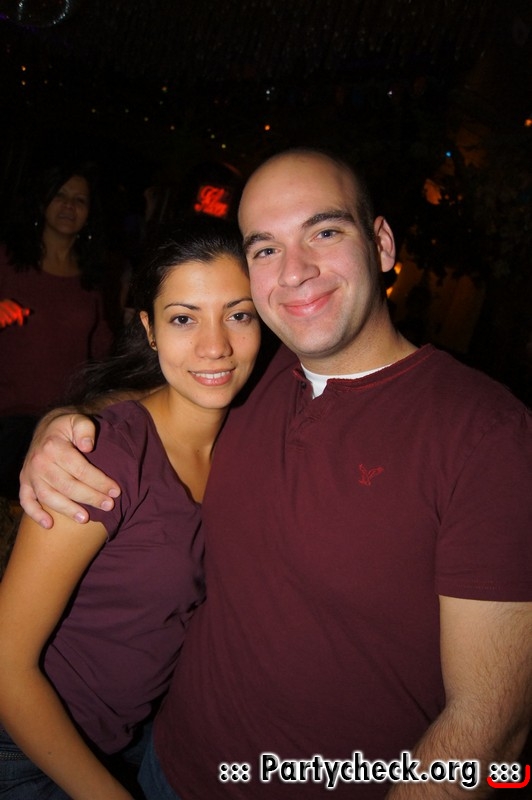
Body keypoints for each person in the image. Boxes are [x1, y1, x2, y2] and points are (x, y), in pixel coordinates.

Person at [17, 148, 532, 799]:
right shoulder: (254, 376)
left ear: (380, 243)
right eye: (265, 248)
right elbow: (165, 395)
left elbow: (489, 731)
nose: (295, 270)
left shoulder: (487, 435)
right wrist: (66, 424)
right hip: (162, 766)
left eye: (324, 231)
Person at [0, 218, 261, 799]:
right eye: (184, 318)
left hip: (128, 737)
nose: (215, 345)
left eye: (238, 315)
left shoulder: (247, 439)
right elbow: (5, 664)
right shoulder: (106, 456)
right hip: (27, 754)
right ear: (149, 328)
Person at [0, 162, 117, 499]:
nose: (69, 205)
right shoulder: (7, 259)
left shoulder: (93, 277)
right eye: (61, 196)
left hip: (64, 418)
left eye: (80, 200)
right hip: (7, 415)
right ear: (43, 201)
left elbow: (102, 351)